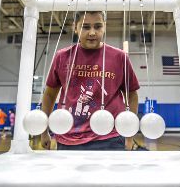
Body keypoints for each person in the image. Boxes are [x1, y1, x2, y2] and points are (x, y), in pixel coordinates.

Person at [41, 11, 139, 150]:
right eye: (85, 27)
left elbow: (132, 95)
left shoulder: (120, 57)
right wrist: (44, 130)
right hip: (68, 138)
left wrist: (129, 134)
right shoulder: (62, 56)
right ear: (75, 27)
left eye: (98, 26)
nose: (92, 33)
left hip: (110, 137)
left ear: (104, 27)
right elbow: (50, 95)